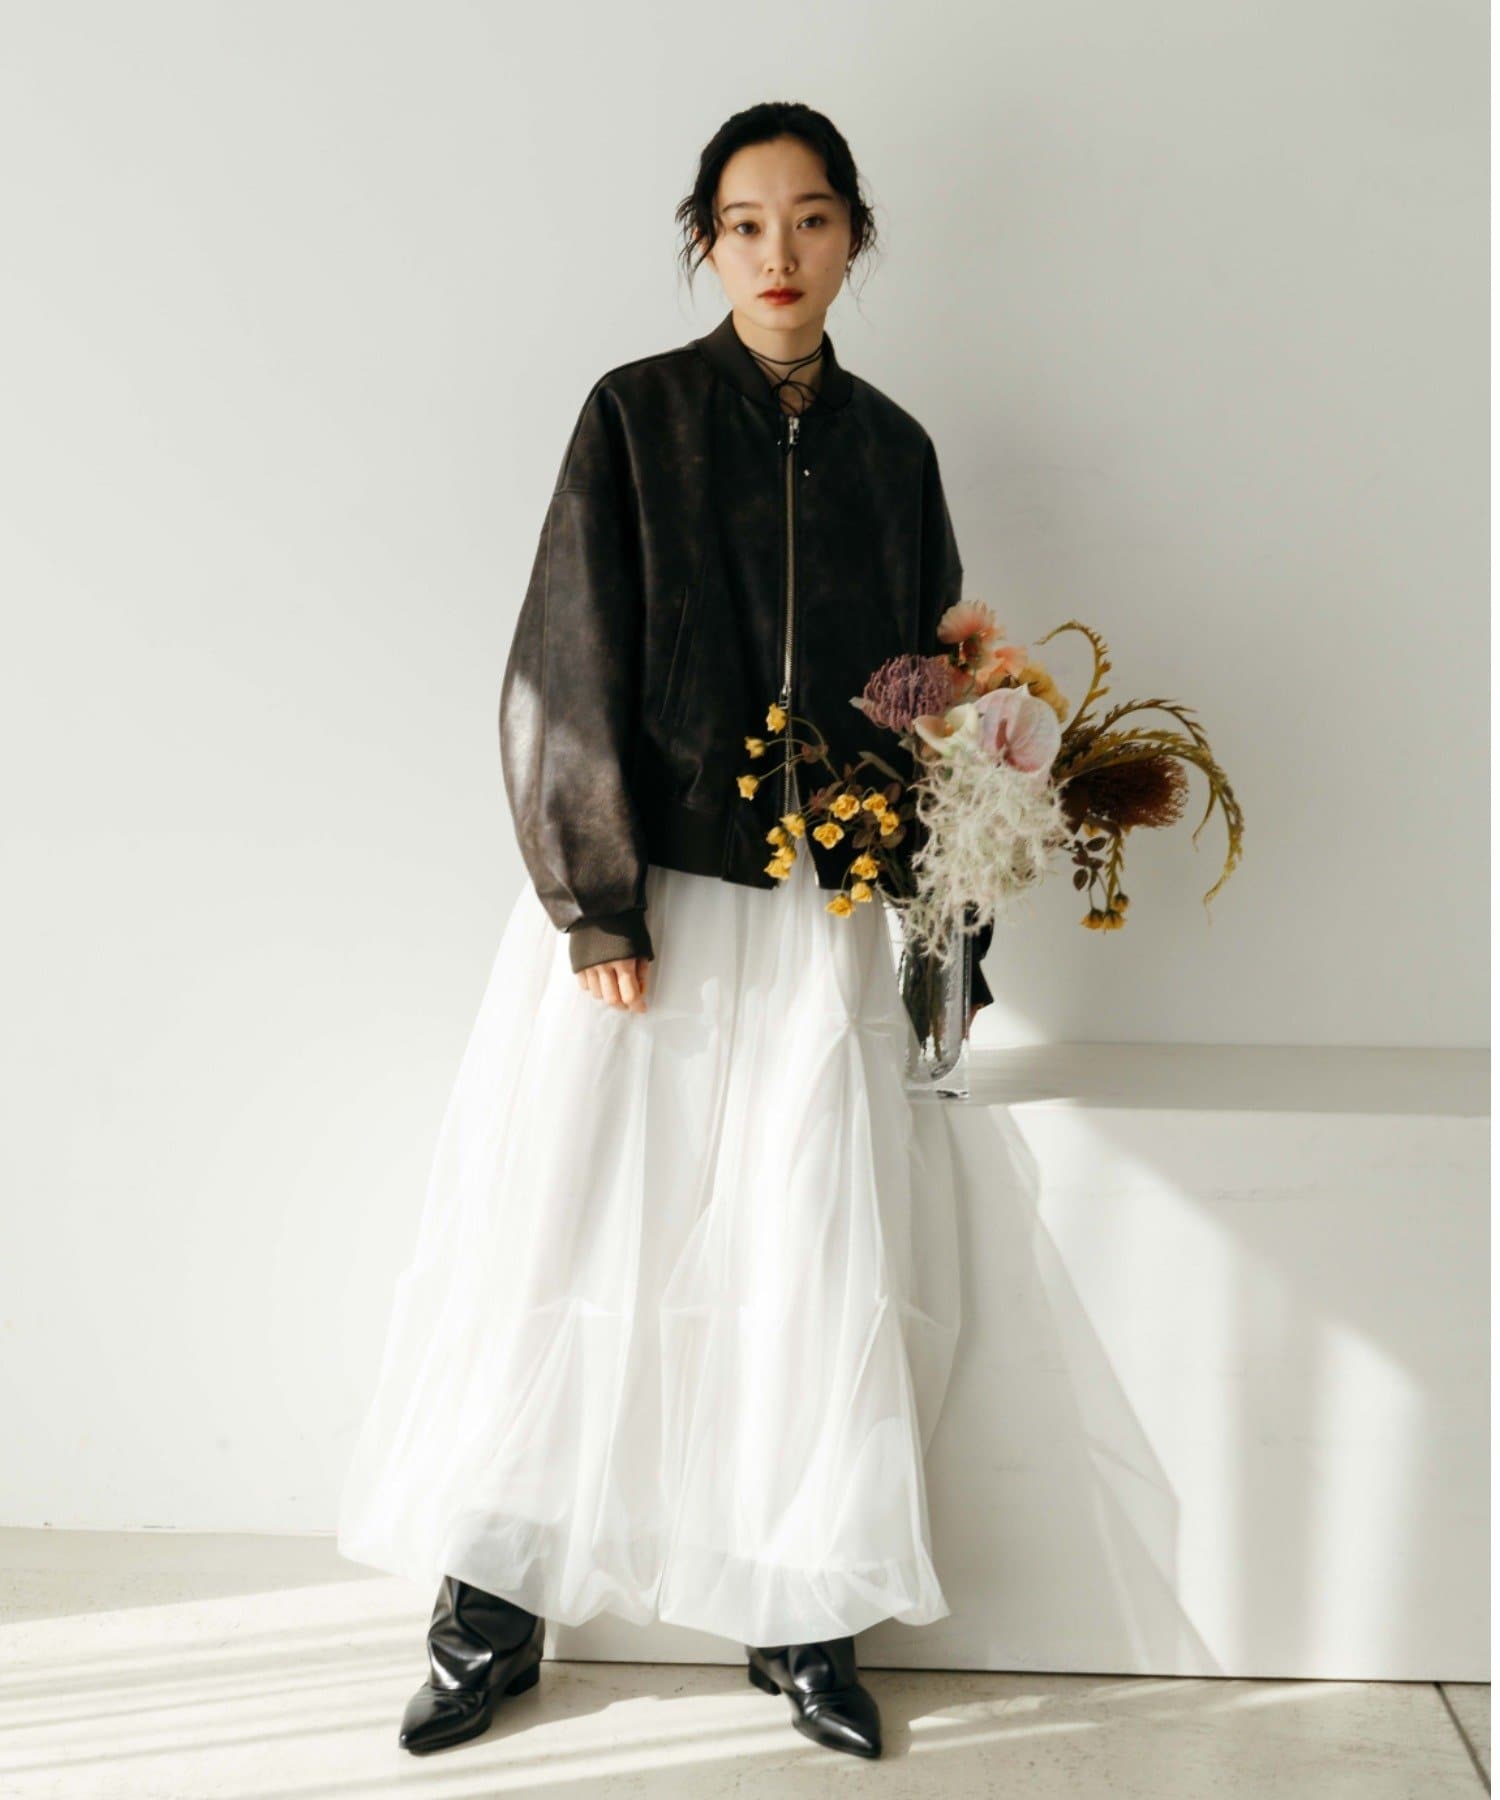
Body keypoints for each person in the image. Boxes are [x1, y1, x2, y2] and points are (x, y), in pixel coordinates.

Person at [335, 99, 994, 1764]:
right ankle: (488, 1618)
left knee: (801, 1251)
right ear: (707, 241)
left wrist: (948, 918)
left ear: (854, 238)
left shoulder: (895, 452)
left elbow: (926, 700)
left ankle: (802, 1611)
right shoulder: (636, 416)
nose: (780, 254)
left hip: (815, 914)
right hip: (657, 895)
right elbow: (565, 660)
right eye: (747, 223)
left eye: (813, 220)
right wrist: (596, 898)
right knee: (564, 1234)